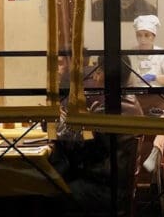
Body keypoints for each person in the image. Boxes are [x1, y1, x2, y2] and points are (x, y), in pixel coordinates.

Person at [50, 55, 144, 216]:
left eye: (98, 72)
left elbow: (82, 150)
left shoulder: (112, 110)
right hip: (116, 183)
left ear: (108, 77)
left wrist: (61, 122)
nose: (94, 76)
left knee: (53, 194)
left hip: (106, 189)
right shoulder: (131, 102)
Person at [128, 15, 164, 87]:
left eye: (147, 35)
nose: (142, 39)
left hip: (158, 95)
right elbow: (125, 78)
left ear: (154, 37)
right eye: (139, 35)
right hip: (136, 94)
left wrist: (154, 77)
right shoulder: (130, 54)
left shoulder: (163, 54)